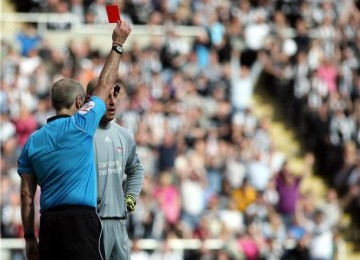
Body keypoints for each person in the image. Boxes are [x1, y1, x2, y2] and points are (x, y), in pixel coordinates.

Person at [18, 20, 132, 260]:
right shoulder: (81, 125)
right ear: (81, 103)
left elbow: (27, 195)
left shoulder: (32, 141)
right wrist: (117, 44)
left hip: (49, 223)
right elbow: (104, 85)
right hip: (81, 222)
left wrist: (30, 238)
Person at [86, 77, 144, 260]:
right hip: (92, 222)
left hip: (119, 222)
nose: (112, 102)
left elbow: (136, 170)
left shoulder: (123, 135)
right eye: (106, 97)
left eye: (115, 96)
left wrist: (130, 197)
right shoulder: (81, 136)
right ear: (90, 100)